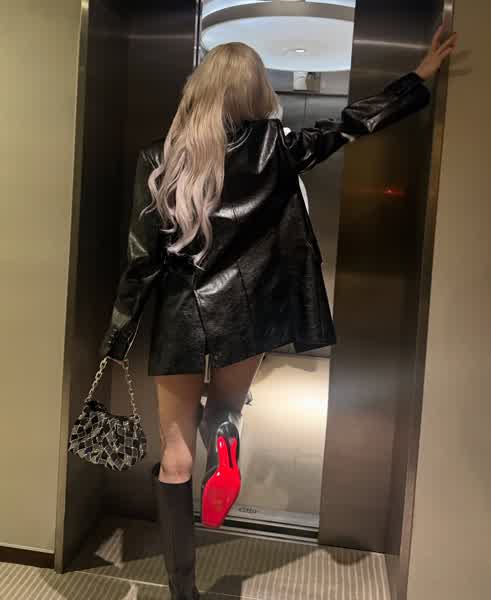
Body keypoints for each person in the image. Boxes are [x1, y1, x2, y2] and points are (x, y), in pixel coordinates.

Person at [100, 25, 456, 600]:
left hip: (180, 316)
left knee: (174, 456)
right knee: (227, 408)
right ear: (256, 92)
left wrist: (117, 337)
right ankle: (226, 432)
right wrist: (418, 78)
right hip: (245, 316)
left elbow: (141, 258)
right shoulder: (278, 148)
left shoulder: (160, 157)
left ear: (198, 89)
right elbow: (348, 124)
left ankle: (182, 592)